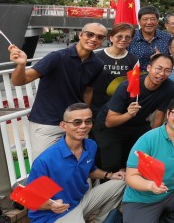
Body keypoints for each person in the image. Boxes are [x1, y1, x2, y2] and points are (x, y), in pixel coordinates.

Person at [27, 103, 126, 223]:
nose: (83, 126)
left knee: (120, 183)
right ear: (63, 126)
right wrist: (51, 205)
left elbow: (89, 169)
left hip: (78, 203)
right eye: (77, 122)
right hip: (51, 218)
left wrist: (109, 175)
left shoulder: (90, 145)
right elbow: (31, 199)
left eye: (88, 121)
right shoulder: (47, 160)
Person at [9, 23, 106, 161]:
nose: (94, 39)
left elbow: (88, 90)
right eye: (90, 34)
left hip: (75, 123)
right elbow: (19, 81)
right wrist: (21, 65)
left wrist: (84, 114)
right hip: (47, 122)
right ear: (81, 35)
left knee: (75, 164)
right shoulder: (57, 57)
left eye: (99, 37)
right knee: (45, 166)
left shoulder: (97, 64)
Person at [96, 54, 174, 171]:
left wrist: (153, 139)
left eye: (167, 70)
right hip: (110, 125)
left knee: (140, 157)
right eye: (158, 68)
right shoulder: (127, 86)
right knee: (112, 165)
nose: (161, 73)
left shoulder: (170, 88)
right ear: (149, 68)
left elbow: (160, 114)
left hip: (137, 123)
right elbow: (110, 122)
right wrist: (129, 114)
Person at [89, 23, 138, 121]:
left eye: (127, 37)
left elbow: (133, 89)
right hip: (94, 107)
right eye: (119, 36)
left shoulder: (133, 60)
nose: (123, 39)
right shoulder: (95, 56)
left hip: (117, 109)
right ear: (111, 38)